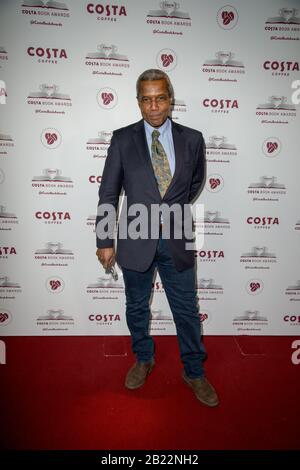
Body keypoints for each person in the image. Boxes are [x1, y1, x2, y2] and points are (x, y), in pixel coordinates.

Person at [96, 69, 219, 407]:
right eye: (147, 99)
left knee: (187, 309)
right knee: (136, 306)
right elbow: (109, 192)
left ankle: (194, 370)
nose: (154, 106)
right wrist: (105, 239)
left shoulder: (192, 139)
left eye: (160, 98)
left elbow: (193, 185)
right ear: (138, 102)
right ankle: (143, 357)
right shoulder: (122, 139)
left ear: (170, 98)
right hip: (135, 238)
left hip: (177, 236)